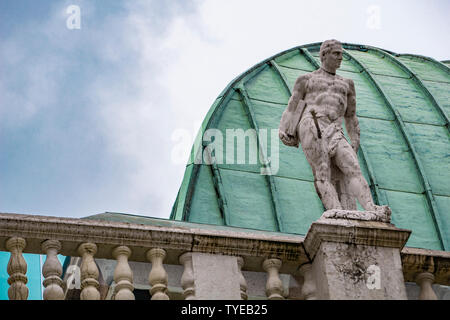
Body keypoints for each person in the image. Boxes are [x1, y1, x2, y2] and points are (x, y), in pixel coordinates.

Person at [279, 39, 385, 212]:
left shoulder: (347, 84)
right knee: (322, 170)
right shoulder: (306, 80)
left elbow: (351, 116)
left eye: (342, 54)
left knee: (353, 167)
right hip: (312, 123)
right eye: (336, 54)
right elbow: (292, 105)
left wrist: (354, 140)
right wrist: (283, 128)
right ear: (323, 55)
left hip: (335, 128)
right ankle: (336, 211)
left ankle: (370, 207)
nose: (340, 58)